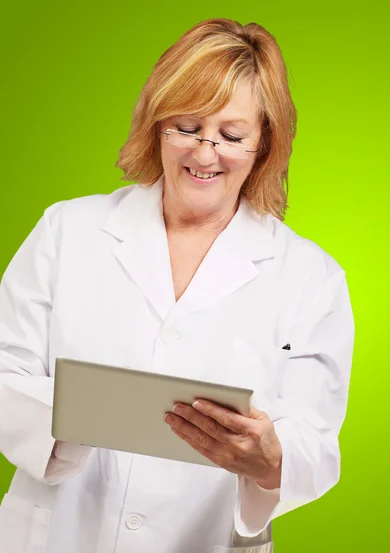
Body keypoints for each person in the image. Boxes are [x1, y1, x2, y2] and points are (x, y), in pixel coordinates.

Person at [0, 18, 354, 553]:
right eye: (187, 127)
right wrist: (75, 415)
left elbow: (316, 441)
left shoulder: (310, 277)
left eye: (232, 136)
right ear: (156, 123)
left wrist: (271, 460)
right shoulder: (66, 230)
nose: (205, 154)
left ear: (264, 143)